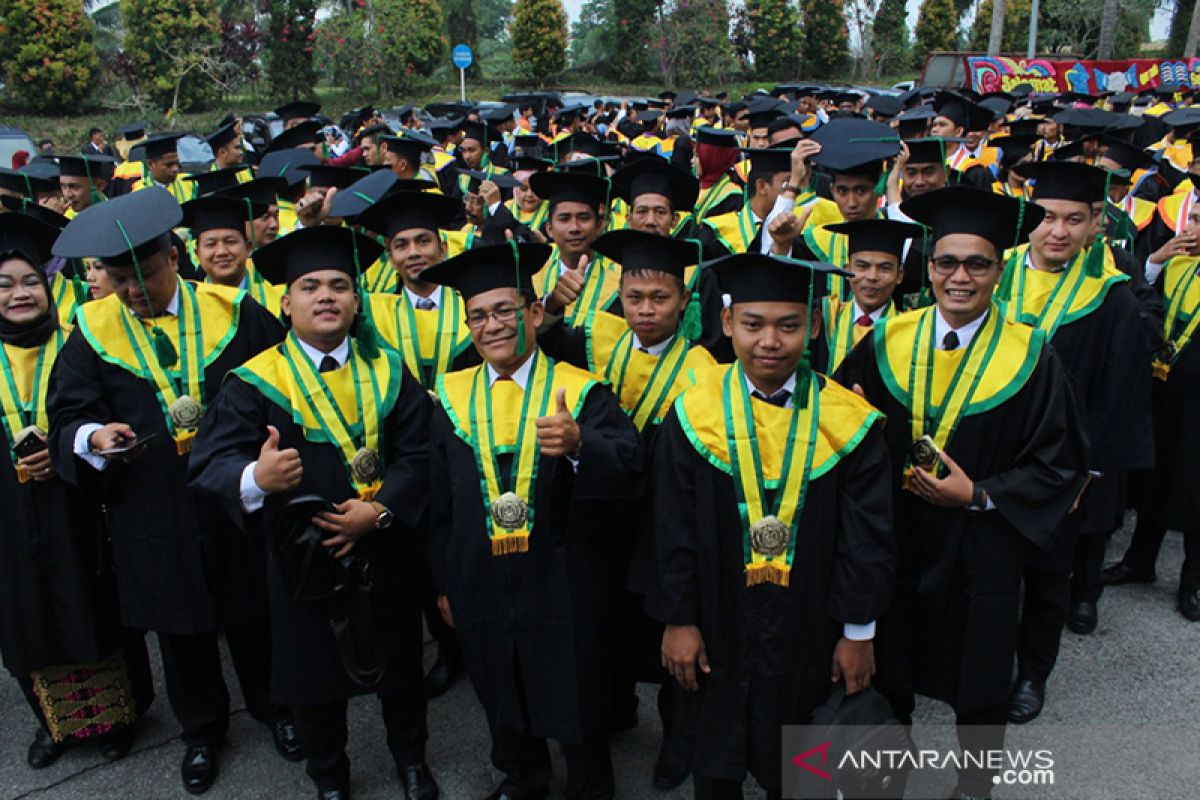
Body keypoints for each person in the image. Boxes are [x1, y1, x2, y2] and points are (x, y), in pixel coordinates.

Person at [835, 186, 1088, 799]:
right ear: (928, 266)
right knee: (886, 671)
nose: (959, 276)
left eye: (977, 263)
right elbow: (834, 420)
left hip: (982, 545)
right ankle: (885, 775)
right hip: (894, 536)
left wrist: (978, 494)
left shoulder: (1031, 356)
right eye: (947, 261)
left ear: (999, 270)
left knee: (979, 683)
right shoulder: (888, 341)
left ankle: (975, 787)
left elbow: (1062, 461)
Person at [46, 188, 299, 795]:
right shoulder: (91, 330)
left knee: (253, 610)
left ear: (176, 258)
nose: (135, 290)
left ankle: (276, 709)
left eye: (148, 274)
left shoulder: (231, 312)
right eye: (120, 279)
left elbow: (284, 384)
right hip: (151, 501)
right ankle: (202, 731)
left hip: (235, 493)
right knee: (179, 625)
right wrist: (93, 434)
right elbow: (67, 415)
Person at [188, 225, 440, 800]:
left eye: (339, 285)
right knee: (312, 676)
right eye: (309, 286)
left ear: (356, 301)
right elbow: (209, 465)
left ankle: (411, 761)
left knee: (400, 666)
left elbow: (422, 457)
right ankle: (329, 776)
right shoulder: (255, 382)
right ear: (286, 302)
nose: (325, 296)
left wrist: (378, 511)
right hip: (301, 560)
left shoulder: (389, 371)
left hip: (382, 545)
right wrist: (257, 476)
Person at [642, 250, 895, 799]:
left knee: (802, 768)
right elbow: (671, 528)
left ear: (816, 324)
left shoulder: (849, 423)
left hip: (812, 623)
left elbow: (866, 539)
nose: (770, 343)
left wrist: (858, 632)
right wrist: (678, 620)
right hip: (716, 618)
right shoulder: (693, 414)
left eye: (789, 326)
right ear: (727, 322)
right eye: (753, 325)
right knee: (716, 755)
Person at [423, 242, 643, 800]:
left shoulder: (580, 389)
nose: (491, 325)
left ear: (534, 313)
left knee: (574, 681)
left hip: (562, 573)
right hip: (481, 574)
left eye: (504, 310)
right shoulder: (450, 396)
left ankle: (590, 785)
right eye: (479, 315)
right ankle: (523, 774)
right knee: (499, 676)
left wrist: (579, 445)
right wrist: (445, 583)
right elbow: (439, 499)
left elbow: (629, 464)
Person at [538, 228, 716, 789]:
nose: (644, 310)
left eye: (660, 299)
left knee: (670, 636)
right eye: (634, 297)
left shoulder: (704, 370)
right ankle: (614, 710)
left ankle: (680, 739)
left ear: (684, 302)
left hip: (663, 524)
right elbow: (535, 356)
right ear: (618, 293)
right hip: (597, 515)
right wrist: (548, 315)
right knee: (601, 625)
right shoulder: (596, 341)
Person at [995, 161, 1155, 723]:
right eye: (1047, 217)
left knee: (1045, 579)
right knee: (987, 577)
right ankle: (985, 669)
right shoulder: (993, 272)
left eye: (1074, 219)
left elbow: (1120, 397)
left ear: (1095, 227)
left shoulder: (1110, 300)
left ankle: (1032, 674)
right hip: (990, 457)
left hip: (1061, 469)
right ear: (1030, 219)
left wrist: (1092, 475)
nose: (1057, 230)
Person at [0, 213, 153, 770]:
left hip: (79, 507)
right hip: (11, 518)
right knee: (26, 615)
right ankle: (54, 725)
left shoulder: (81, 343)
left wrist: (68, 450)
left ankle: (121, 716)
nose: (19, 294)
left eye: (29, 282)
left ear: (48, 288)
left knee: (96, 606)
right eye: (5, 285)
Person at [1105, 203, 1200, 620]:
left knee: (1195, 482)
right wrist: (1158, 260)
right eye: (1194, 218)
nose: (1193, 228)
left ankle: (1193, 580)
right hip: (1164, 389)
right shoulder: (1178, 266)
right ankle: (1140, 560)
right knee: (1154, 474)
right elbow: (1146, 298)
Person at [818, 219, 921, 373]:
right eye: (862, 266)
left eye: (884, 268)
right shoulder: (823, 317)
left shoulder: (912, 328)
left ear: (899, 276)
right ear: (847, 271)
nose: (872, 276)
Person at [531, 171, 619, 326]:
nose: (574, 228)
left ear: (599, 225)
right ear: (549, 229)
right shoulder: (534, 269)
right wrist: (551, 303)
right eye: (564, 219)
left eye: (584, 218)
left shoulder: (619, 275)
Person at [180, 194, 283, 316]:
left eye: (230, 242)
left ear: (248, 247)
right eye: (211, 244)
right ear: (197, 254)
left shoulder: (278, 295)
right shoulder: (186, 306)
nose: (222, 252)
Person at [131, 133, 191, 203]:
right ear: (150, 164)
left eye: (177, 163)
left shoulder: (189, 182)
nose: (175, 169)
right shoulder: (139, 193)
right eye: (169, 165)